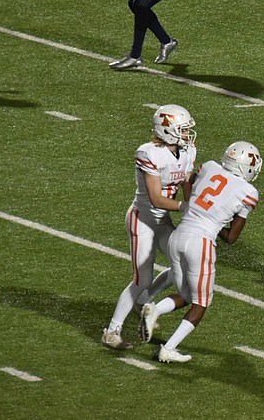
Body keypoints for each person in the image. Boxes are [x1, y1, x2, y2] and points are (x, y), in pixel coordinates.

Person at [138, 141, 263, 363]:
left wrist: (196, 208)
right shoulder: (249, 192)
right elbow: (231, 238)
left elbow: (189, 185)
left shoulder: (209, 167)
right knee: (201, 302)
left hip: (178, 236)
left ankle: (154, 309)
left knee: (186, 295)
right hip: (201, 241)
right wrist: (215, 221)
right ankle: (168, 348)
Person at [101, 104, 197, 350]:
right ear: (167, 131)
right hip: (142, 219)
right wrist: (185, 208)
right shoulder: (149, 153)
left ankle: (145, 302)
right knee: (142, 278)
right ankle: (112, 331)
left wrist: (192, 202)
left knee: (184, 262)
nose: (187, 134)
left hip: (163, 220)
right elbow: (155, 198)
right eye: (182, 129)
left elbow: (186, 183)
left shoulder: (188, 150)